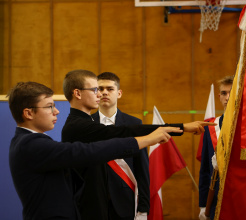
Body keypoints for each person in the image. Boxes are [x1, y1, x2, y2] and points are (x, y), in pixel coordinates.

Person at [8, 81, 181, 220]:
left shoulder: (29, 141)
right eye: (49, 106)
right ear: (28, 113)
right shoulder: (31, 144)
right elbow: (88, 152)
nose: (57, 111)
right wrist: (148, 139)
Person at [61, 69, 215, 220]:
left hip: (116, 203)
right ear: (78, 93)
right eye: (95, 89)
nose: (100, 94)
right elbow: (121, 133)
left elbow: (134, 150)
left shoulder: (83, 122)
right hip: (88, 207)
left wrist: (143, 206)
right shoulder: (78, 125)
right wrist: (179, 128)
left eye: (106, 89)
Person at [91, 72, 149, 220]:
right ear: (95, 93)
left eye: (110, 89)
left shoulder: (134, 124)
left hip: (125, 201)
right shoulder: (85, 124)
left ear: (119, 93)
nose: (104, 92)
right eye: (100, 89)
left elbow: (142, 168)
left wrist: (143, 208)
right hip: (92, 201)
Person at [198, 75, 234, 220]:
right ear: (219, 96)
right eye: (224, 93)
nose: (227, 97)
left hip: (241, 194)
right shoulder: (211, 127)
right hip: (216, 197)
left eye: (231, 92)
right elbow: (205, 169)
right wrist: (202, 204)